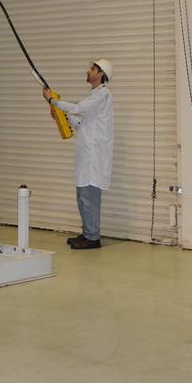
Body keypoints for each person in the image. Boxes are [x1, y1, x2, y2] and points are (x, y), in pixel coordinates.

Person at [43, 59, 113, 250]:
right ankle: (87, 233)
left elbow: (78, 108)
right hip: (86, 157)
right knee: (82, 197)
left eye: (92, 69)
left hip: (93, 159)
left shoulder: (103, 95)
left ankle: (93, 237)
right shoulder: (94, 97)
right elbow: (81, 122)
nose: (88, 71)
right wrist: (61, 115)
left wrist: (53, 101)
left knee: (89, 197)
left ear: (100, 74)